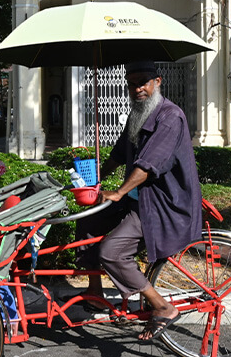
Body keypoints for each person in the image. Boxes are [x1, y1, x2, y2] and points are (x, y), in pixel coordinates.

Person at [68, 60, 202, 342]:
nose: (138, 88)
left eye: (143, 82)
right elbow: (119, 154)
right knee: (88, 221)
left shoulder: (170, 117)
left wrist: (118, 192)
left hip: (161, 204)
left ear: (157, 82)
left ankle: (162, 307)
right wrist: (95, 180)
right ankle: (95, 292)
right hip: (136, 199)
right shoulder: (138, 114)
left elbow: (148, 165)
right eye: (132, 84)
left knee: (112, 252)